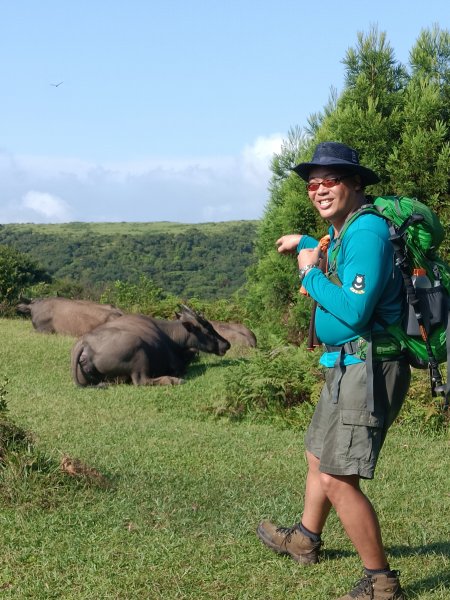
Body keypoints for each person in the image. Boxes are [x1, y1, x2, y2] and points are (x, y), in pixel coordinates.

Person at [256, 142, 411, 600]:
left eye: (331, 180)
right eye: (312, 183)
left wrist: (309, 273)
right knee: (317, 456)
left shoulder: (366, 233)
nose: (319, 190)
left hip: (368, 366)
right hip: (344, 363)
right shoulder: (345, 231)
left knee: (337, 477)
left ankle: (380, 583)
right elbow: (343, 276)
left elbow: (358, 310)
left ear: (356, 184)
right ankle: (305, 538)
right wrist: (307, 244)